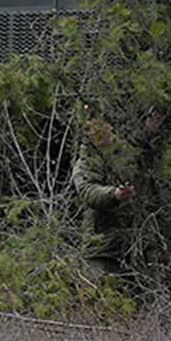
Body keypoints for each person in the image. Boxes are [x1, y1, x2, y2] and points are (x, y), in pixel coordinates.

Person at [70, 115, 136, 279]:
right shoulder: (85, 163)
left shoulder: (127, 154)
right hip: (101, 247)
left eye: (101, 124)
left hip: (133, 244)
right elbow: (88, 192)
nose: (97, 130)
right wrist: (114, 194)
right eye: (91, 127)